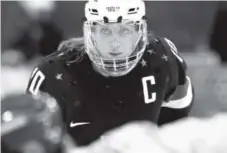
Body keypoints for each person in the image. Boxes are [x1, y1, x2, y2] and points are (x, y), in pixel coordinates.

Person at [26, 0, 194, 146]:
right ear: (91, 32)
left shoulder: (162, 59)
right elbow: (33, 143)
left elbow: (176, 128)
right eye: (105, 31)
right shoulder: (52, 74)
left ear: (139, 31)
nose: (115, 44)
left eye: (125, 31)